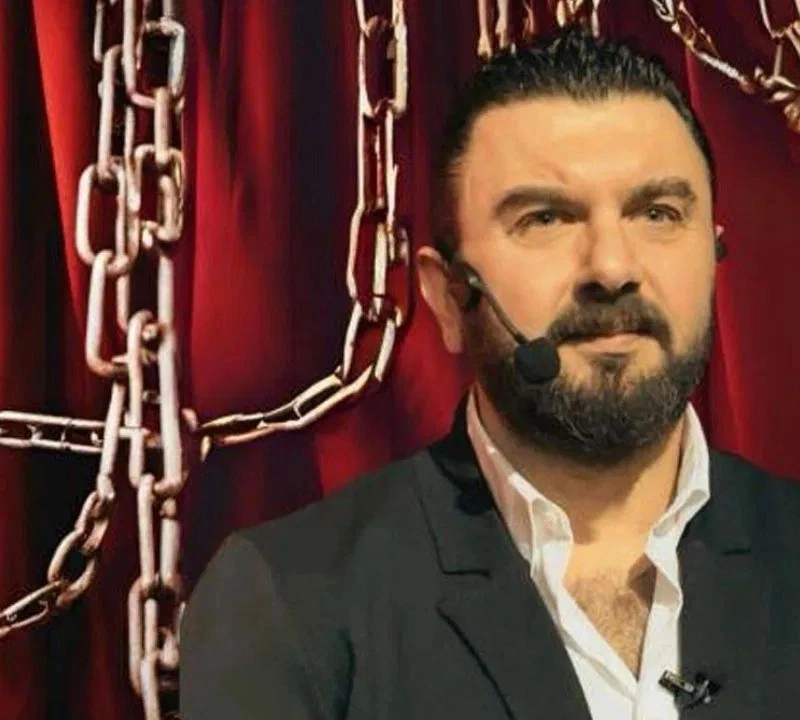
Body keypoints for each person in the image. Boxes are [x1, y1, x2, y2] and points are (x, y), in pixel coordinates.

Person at [180, 23, 800, 720]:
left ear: (714, 255)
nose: (613, 267)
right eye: (546, 219)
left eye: (657, 212)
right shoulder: (291, 601)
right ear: (449, 297)